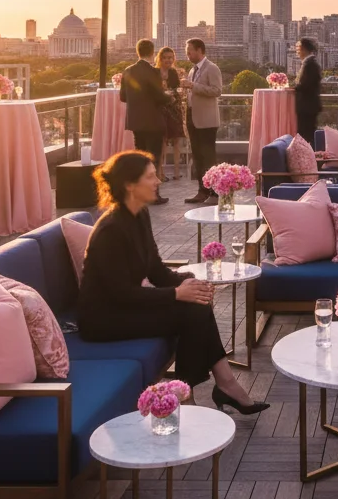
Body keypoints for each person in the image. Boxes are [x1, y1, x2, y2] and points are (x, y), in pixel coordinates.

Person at [77, 151, 269, 415]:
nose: (158, 181)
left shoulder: (139, 216)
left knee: (196, 301)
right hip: (103, 319)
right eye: (151, 176)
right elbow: (121, 294)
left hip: (125, 305)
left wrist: (190, 283)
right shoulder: (111, 230)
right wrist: (178, 293)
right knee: (190, 309)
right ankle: (201, 392)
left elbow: (156, 271)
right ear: (129, 185)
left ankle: (215, 387)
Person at [119, 39, 171, 205]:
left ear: (137, 52)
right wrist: (169, 96)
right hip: (153, 121)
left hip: (136, 121)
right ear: (152, 52)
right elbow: (159, 97)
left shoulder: (128, 71)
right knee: (153, 159)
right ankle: (154, 194)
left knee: (140, 158)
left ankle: (140, 193)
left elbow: (122, 97)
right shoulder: (153, 72)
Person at [180, 38, 223, 204]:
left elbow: (217, 90)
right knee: (197, 156)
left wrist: (192, 86)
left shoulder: (211, 68)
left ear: (199, 50)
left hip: (207, 121)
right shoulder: (192, 70)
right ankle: (202, 190)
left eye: (190, 51)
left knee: (208, 157)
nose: (188, 55)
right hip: (192, 118)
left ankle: (214, 192)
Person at [156, 46, 186, 181]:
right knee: (161, 142)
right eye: (165, 58)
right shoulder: (154, 72)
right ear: (160, 58)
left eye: (170, 58)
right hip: (161, 111)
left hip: (174, 110)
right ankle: (160, 173)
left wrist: (172, 94)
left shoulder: (174, 72)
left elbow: (177, 90)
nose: (168, 60)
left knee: (176, 141)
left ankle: (176, 171)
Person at [293, 37, 323, 146]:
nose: (297, 51)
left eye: (298, 48)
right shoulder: (309, 63)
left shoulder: (311, 65)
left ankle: (308, 159)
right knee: (306, 134)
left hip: (307, 107)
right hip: (307, 107)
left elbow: (306, 85)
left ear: (304, 49)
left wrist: (293, 88)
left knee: (306, 135)